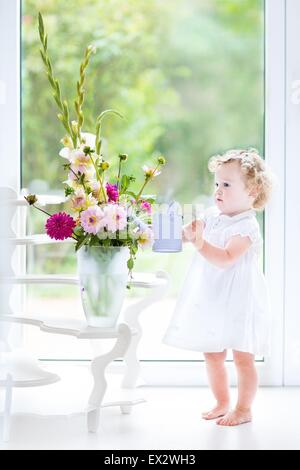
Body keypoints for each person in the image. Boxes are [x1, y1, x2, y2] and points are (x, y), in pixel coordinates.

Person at [163, 148, 274, 426]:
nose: (218, 190)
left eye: (227, 184)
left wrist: (200, 243)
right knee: (212, 353)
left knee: (242, 356)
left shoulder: (246, 225)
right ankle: (222, 401)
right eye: (216, 184)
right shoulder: (212, 215)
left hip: (239, 300)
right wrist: (180, 234)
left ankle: (244, 408)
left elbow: (225, 258)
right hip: (213, 295)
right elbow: (191, 233)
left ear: (253, 190)